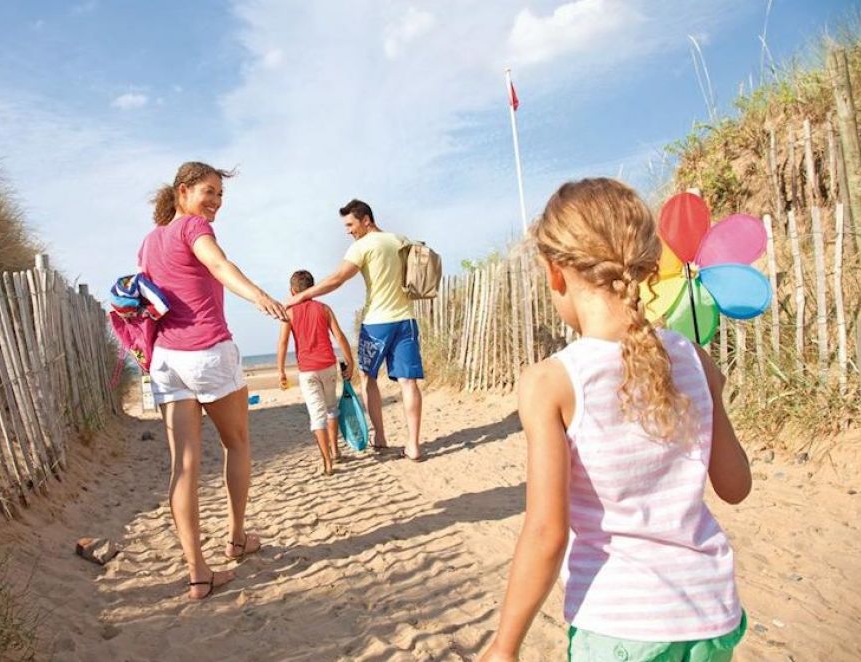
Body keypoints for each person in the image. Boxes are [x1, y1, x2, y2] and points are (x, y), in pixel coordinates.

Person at [480, 178, 751, 662]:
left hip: (620, 626)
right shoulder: (694, 358)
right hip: (712, 615)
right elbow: (735, 486)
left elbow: (546, 533)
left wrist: (505, 646)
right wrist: (712, 393)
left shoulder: (552, 382)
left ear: (556, 273)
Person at [138, 161, 288, 600]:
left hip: (166, 360)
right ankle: (237, 539)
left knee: (183, 466)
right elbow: (219, 264)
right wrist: (258, 295)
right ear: (183, 191)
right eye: (209, 191)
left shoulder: (149, 241)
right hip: (206, 351)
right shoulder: (192, 228)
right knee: (236, 443)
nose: (216, 202)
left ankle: (197, 573)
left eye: (220, 195)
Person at [285, 199, 425, 461]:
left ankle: (380, 437)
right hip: (406, 320)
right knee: (409, 382)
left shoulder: (363, 246)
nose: (348, 231)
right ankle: (413, 446)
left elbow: (337, 279)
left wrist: (302, 296)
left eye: (350, 225)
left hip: (376, 323)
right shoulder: (401, 240)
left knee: (368, 377)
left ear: (366, 220)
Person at [275, 270, 355, 475]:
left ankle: (327, 462)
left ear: (292, 291)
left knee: (317, 415)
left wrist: (281, 370)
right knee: (331, 409)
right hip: (328, 366)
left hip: (307, 371)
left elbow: (283, 343)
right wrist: (350, 361)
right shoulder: (324, 309)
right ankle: (335, 451)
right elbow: (339, 336)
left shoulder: (289, 313)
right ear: (313, 288)